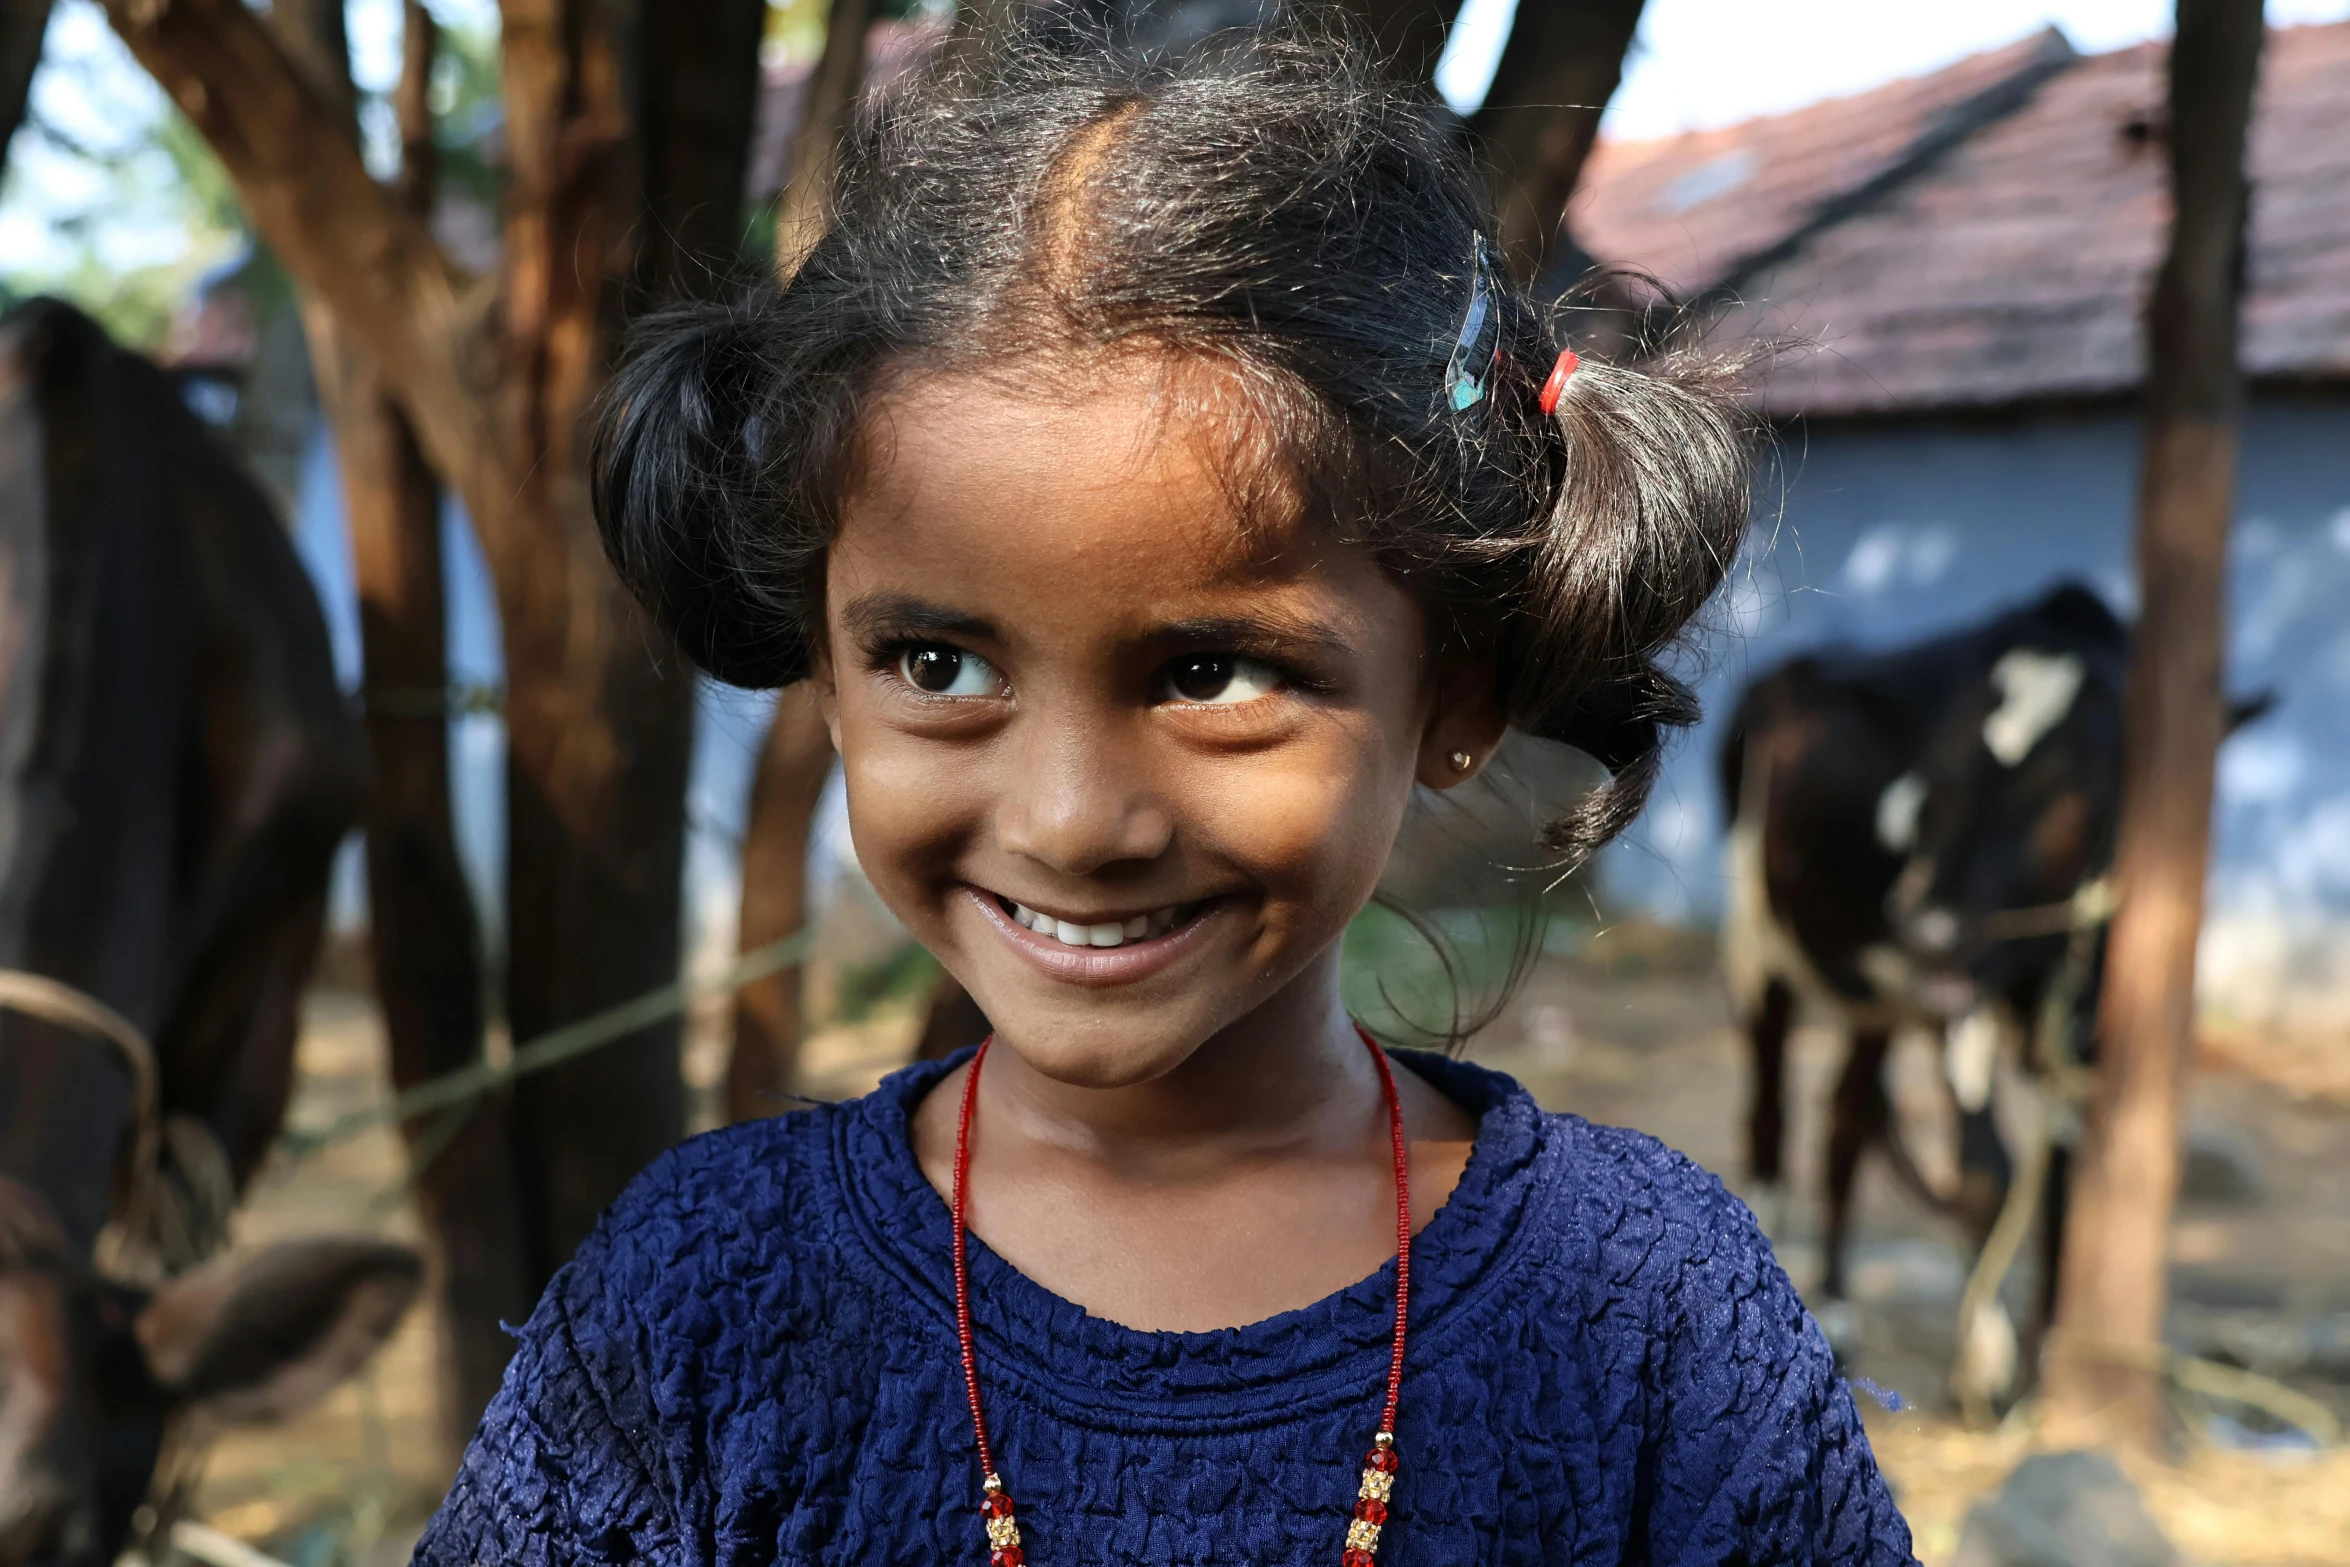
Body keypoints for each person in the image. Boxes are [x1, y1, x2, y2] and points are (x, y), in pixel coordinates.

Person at [413, 17, 1914, 1567]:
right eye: (935, 663)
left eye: (1212, 674)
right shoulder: (695, 1307)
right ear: (821, 653)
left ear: (1454, 693)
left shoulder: (1651, 1315)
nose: (1071, 820)